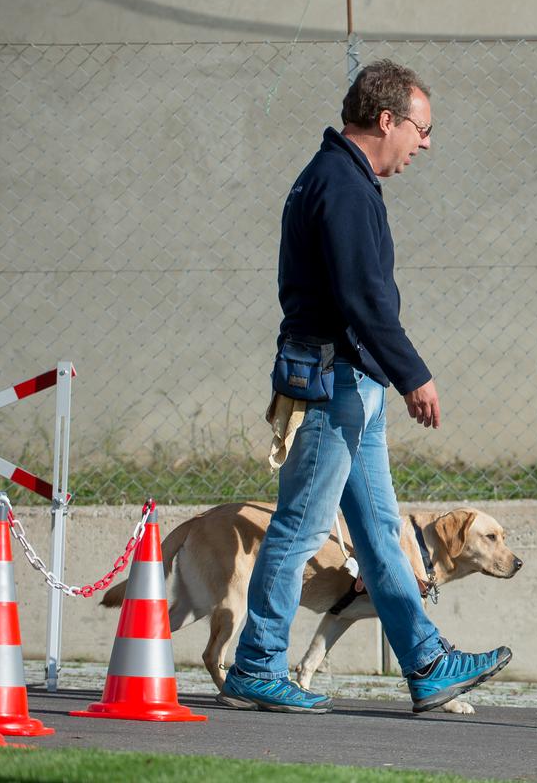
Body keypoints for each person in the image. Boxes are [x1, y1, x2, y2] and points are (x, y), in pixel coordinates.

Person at [219, 60, 511, 714]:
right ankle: (258, 664)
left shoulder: (332, 179)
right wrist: (414, 374)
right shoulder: (342, 188)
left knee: (381, 535)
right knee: (300, 528)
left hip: (350, 379)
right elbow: (362, 299)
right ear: (387, 120)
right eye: (422, 129)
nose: (425, 143)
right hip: (336, 382)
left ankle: (429, 664)